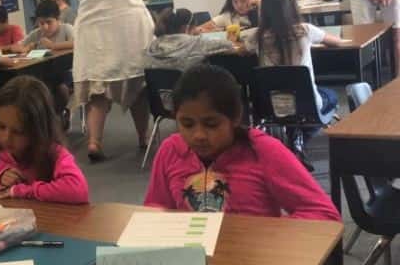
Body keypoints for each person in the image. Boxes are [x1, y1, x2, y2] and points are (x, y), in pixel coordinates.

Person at [144, 65, 340, 220]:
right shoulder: (171, 150)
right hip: (192, 254)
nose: (198, 135)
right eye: (187, 124)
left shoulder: (263, 151)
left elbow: (324, 214)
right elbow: (156, 208)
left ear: (236, 117)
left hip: (254, 253)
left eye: (211, 124)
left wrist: (265, 235)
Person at [71, 0, 154, 162]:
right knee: (137, 85)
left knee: (97, 90)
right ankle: (144, 138)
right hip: (130, 27)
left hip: (93, 30)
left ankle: (94, 142)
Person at [0, 76, 88, 204]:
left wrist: (22, 191)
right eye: (1, 126)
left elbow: (78, 190)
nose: (6, 138)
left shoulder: (53, 154)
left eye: (18, 132)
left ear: (37, 130)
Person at [244, 0, 344, 117]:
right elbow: (337, 42)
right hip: (308, 105)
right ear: (292, 8)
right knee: (330, 94)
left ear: (263, 12)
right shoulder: (306, 30)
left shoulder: (256, 37)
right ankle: (312, 125)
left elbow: (242, 50)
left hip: (272, 107)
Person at [12, 0, 75, 117]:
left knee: (58, 87)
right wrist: (25, 48)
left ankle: (62, 114)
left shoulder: (66, 28)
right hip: (43, 74)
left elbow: (76, 43)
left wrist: (53, 46)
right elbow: (16, 46)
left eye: (49, 22)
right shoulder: (37, 33)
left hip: (66, 72)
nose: (45, 27)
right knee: (31, 87)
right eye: (41, 23)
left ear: (58, 19)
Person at [144, 8, 238, 71]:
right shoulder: (195, 42)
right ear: (186, 27)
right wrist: (231, 38)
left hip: (163, 94)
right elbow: (229, 45)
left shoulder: (153, 45)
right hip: (192, 93)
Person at [196, 0, 262, 33]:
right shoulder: (228, 16)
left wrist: (260, 4)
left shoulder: (262, 12)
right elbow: (197, 30)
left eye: (243, 0)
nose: (239, 5)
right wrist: (217, 31)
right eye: (235, 1)